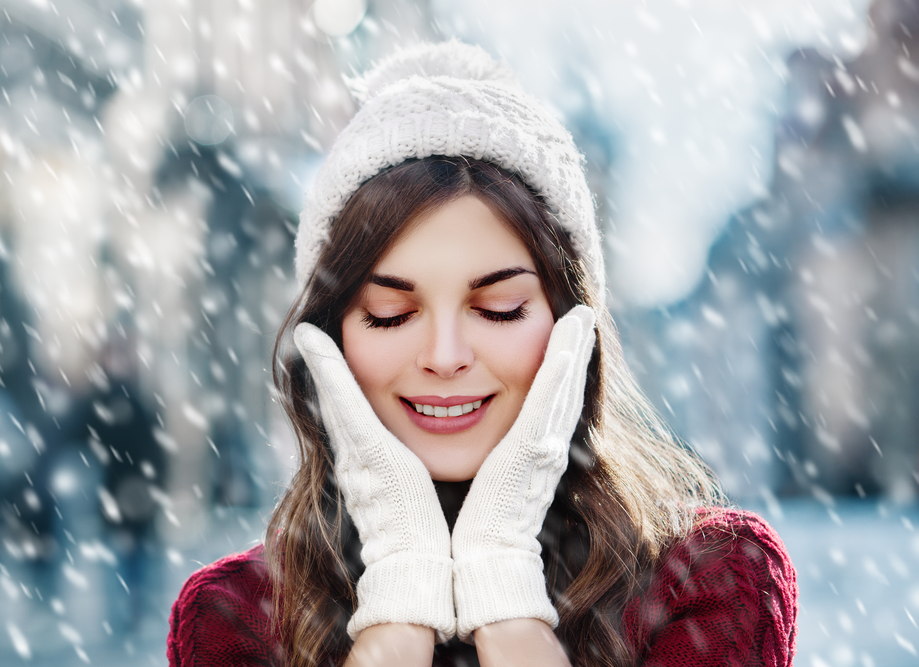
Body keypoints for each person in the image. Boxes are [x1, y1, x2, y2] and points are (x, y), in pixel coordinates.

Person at [167, 41, 798, 667]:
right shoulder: (235, 618)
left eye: (498, 310)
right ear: (329, 342)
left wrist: (504, 586)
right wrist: (399, 603)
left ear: (570, 329)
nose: (445, 356)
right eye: (391, 315)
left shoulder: (715, 582)